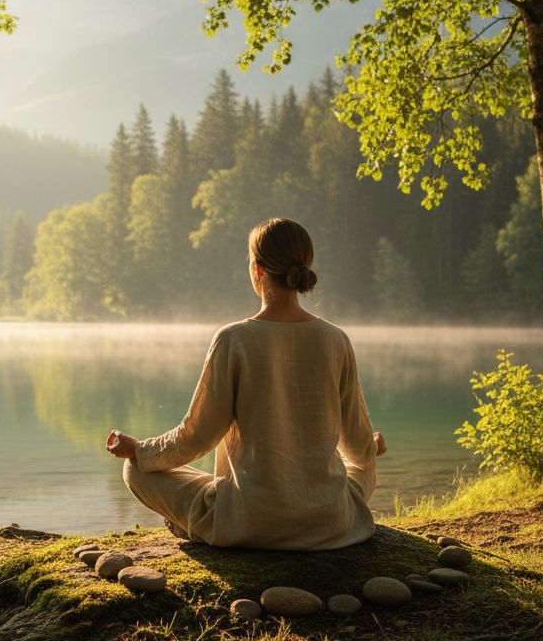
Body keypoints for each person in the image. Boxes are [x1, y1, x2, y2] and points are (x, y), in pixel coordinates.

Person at [106, 217, 385, 550]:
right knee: (365, 466)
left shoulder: (233, 340)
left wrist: (139, 450)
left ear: (259, 270)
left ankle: (202, 526)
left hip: (249, 525)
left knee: (134, 471)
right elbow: (359, 450)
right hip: (329, 524)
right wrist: (372, 445)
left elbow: (195, 437)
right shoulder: (336, 340)